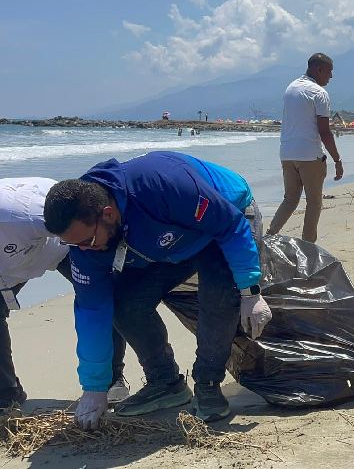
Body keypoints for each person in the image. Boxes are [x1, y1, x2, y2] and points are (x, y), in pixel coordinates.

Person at [43, 152, 271, 429]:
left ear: (108, 214)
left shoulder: (163, 184)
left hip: (226, 218)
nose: (84, 251)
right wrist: (94, 387)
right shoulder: (86, 241)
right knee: (125, 304)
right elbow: (92, 311)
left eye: (87, 242)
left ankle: (208, 385)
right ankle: (166, 383)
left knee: (218, 295)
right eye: (74, 245)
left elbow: (230, 226)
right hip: (168, 240)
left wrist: (250, 291)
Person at [1, 178, 129, 408]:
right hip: (11, 263)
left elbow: (74, 218)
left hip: (65, 245)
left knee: (102, 298)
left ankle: (111, 381)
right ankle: (6, 394)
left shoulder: (18, 212)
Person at [267, 53, 344, 242]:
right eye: (329, 72)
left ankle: (269, 236)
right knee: (314, 203)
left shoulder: (290, 88)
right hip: (310, 155)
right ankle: (308, 247)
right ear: (319, 69)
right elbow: (324, 132)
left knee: (290, 199)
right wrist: (337, 160)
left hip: (287, 153)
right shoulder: (319, 93)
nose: (331, 77)